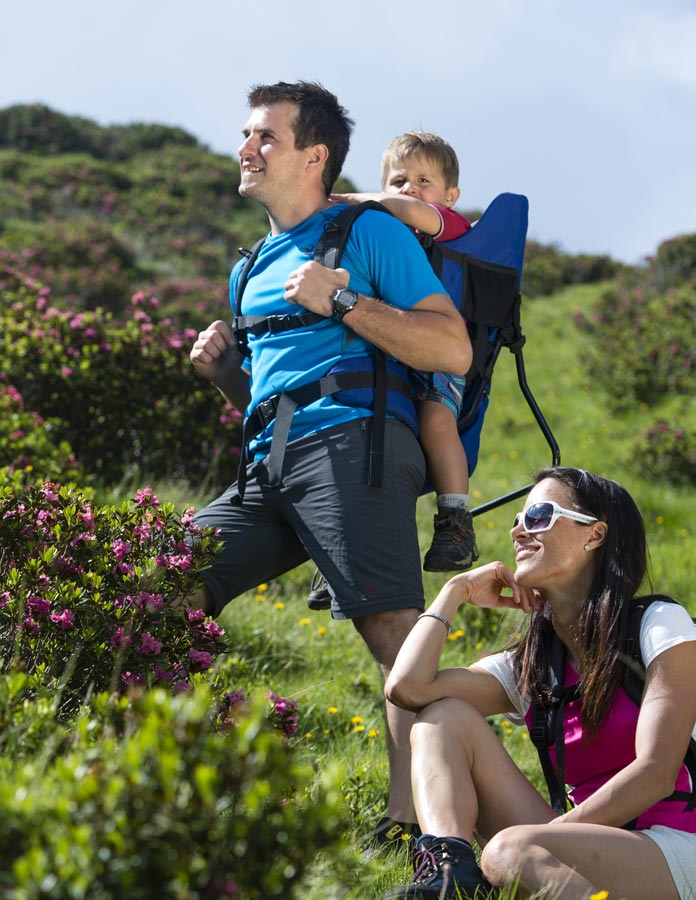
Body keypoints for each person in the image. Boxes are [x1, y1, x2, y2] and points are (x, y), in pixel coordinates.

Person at [188, 82, 471, 850]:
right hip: (265, 467)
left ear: (314, 155)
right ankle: (170, 782)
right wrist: (223, 376)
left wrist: (342, 303)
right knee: (157, 579)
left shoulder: (369, 233)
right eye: (246, 135)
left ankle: (422, 832)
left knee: (395, 641)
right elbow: (268, 396)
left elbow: (451, 348)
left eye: (265, 137)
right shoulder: (247, 270)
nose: (246, 148)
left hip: (354, 448)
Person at [382, 467, 696, 900]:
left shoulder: (660, 626)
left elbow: (656, 774)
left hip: (689, 845)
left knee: (509, 854)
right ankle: (448, 874)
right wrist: (455, 591)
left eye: (537, 516)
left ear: (594, 535)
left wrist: (540, 841)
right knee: (439, 718)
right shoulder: (537, 661)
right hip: (590, 842)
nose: (518, 530)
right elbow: (408, 690)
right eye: (517, 520)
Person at [337, 132, 477, 573]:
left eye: (423, 180)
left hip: (439, 354)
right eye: (398, 181)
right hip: (387, 356)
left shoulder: (450, 225)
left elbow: (412, 211)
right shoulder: (373, 236)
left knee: (437, 422)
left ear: (450, 195)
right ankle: (341, 547)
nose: (410, 189)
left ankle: (455, 519)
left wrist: (345, 199)